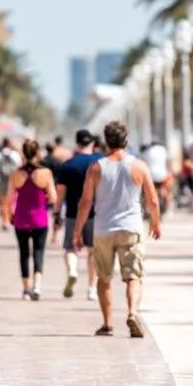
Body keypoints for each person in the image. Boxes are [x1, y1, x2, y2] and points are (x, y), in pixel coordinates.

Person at [73, 121, 161, 337]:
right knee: (133, 276)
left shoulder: (97, 168)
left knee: (103, 278)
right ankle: (132, 313)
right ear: (126, 139)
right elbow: (152, 199)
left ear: (105, 142)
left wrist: (78, 231)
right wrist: (156, 223)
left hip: (103, 229)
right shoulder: (139, 166)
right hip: (131, 228)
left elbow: (85, 202)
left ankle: (107, 323)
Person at [3, 139, 55, 300]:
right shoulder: (46, 173)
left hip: (21, 219)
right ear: (37, 153)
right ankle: (37, 286)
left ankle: (26, 289)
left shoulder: (16, 174)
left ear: (23, 154)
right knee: (39, 252)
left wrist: (8, 216)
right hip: (40, 219)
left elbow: (8, 200)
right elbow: (53, 197)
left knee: (24, 253)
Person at [55, 129, 100, 298]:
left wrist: (57, 212)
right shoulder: (99, 162)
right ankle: (92, 288)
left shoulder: (68, 165)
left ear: (77, 143)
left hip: (73, 212)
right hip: (95, 213)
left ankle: (73, 270)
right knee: (93, 250)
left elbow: (60, 193)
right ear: (93, 143)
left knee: (70, 248)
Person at [143, 140, 172, 216]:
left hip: (151, 175)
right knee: (166, 189)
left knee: (147, 191)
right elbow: (169, 162)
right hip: (163, 174)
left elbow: (143, 162)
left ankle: (147, 208)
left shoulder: (148, 151)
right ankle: (168, 205)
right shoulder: (163, 150)